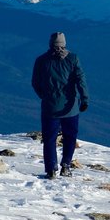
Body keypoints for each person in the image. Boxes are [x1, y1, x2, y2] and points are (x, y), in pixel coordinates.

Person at [31, 32, 89, 179]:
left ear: (50, 43)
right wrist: (84, 99)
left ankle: (51, 169)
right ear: (64, 43)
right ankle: (66, 166)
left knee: (49, 139)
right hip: (71, 108)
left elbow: (35, 83)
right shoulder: (73, 59)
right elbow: (80, 81)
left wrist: (44, 96)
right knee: (70, 137)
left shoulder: (41, 60)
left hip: (50, 108)